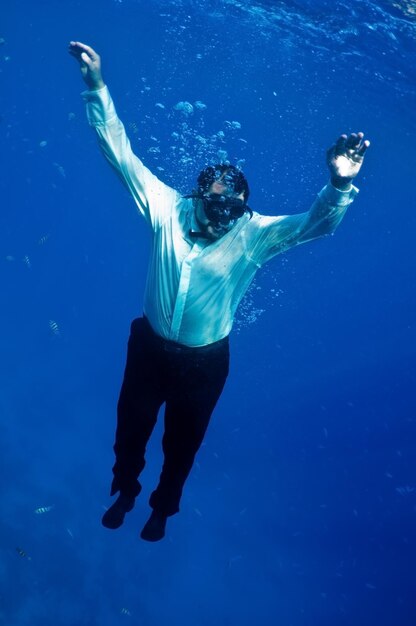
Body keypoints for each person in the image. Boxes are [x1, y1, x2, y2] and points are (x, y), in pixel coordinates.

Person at [69, 41, 370, 542]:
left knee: (183, 445)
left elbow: (316, 225)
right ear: (199, 198)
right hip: (148, 348)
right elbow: (120, 154)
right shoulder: (166, 208)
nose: (224, 220)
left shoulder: (255, 234)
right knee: (130, 431)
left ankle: (164, 507)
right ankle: (125, 489)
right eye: (217, 209)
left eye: (234, 211)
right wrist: (97, 86)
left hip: (205, 363)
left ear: (245, 208)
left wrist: (339, 185)